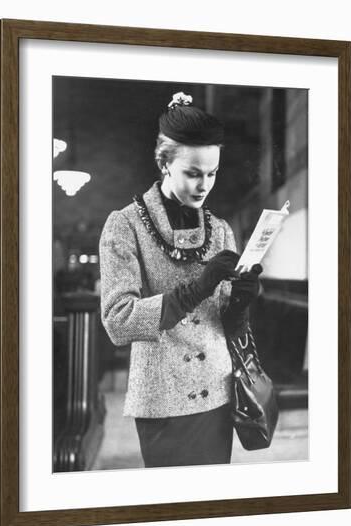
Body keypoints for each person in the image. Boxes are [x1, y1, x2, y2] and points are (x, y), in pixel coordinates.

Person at [99, 91, 261, 468]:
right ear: (164, 163)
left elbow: (228, 327)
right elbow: (118, 321)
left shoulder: (220, 229)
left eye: (212, 173)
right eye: (193, 173)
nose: (204, 185)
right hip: (162, 400)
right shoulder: (124, 226)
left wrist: (242, 300)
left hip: (217, 396)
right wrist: (198, 287)